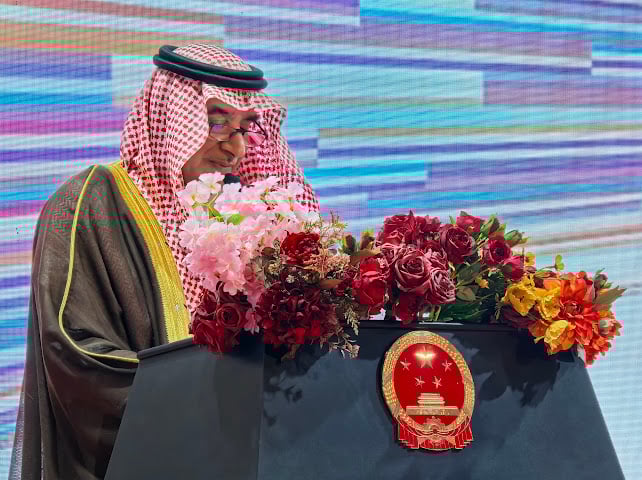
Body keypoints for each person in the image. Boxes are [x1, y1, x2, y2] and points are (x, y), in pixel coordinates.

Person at [9, 43, 319, 480]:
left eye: (245, 129)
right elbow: (73, 351)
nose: (235, 149)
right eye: (217, 123)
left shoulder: (243, 217)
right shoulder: (88, 203)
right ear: (171, 117)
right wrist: (208, 398)